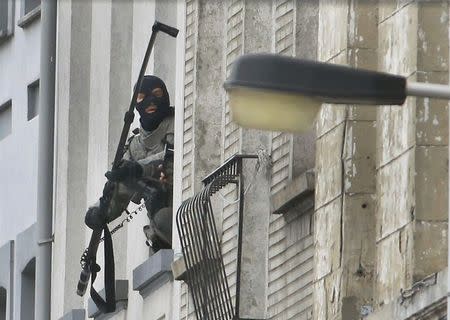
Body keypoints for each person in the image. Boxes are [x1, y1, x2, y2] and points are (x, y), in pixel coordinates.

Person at [85, 75, 174, 252]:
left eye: (156, 94)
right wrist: (101, 211)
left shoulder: (178, 124)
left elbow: (173, 158)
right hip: (159, 229)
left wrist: (139, 168)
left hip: (178, 213)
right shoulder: (134, 146)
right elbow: (120, 187)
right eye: (142, 97)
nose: (150, 102)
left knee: (164, 218)